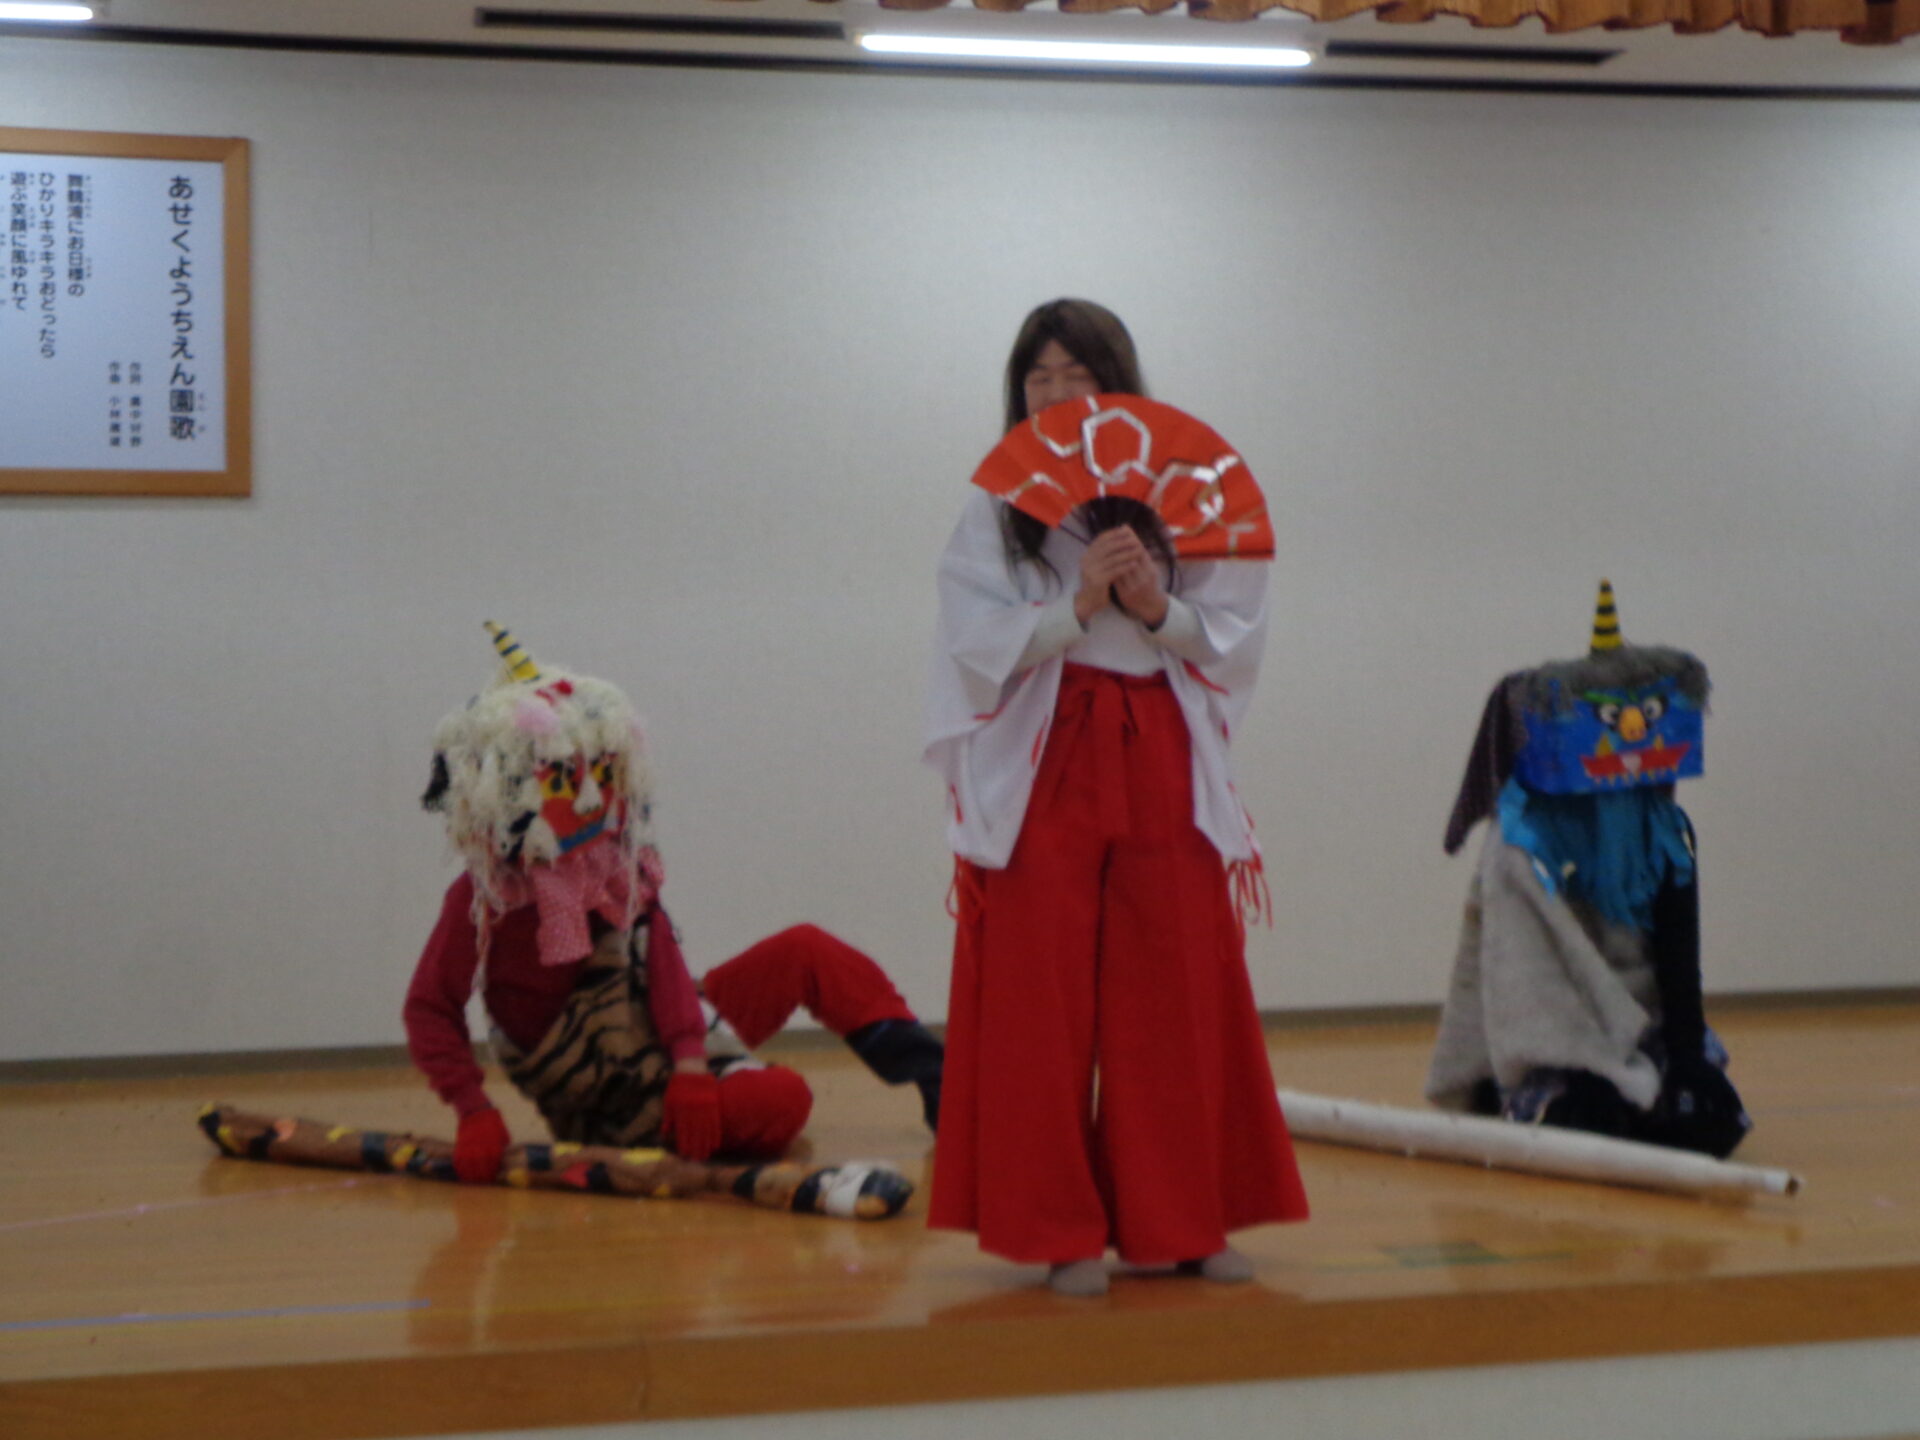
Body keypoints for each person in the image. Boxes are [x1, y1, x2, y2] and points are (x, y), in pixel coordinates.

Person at [923, 299, 1309, 1298]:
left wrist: (1155, 606)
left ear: (1118, 387)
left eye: (1077, 376)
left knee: (1174, 983)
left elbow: (1233, 633)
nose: (1056, 393)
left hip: (1160, 743)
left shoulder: (1187, 491)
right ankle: (1057, 1230)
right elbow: (972, 641)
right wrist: (1076, 603)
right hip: (1046, 746)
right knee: (1039, 994)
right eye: (1039, 378)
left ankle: (1182, 1221)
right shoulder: (997, 505)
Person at [405, 624, 944, 1185]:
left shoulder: (614, 863)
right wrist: (473, 1109)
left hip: (666, 1028)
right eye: (565, 778)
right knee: (782, 1099)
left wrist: (690, 1062)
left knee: (805, 950)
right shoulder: (486, 896)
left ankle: (940, 1083)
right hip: (615, 1093)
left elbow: (662, 962)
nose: (590, 796)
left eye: (601, 772)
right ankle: (717, 1098)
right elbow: (429, 1007)